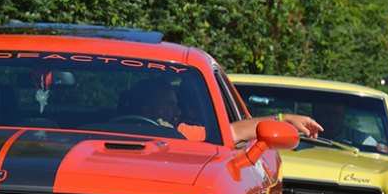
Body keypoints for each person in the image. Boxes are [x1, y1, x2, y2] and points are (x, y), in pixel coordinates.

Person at [126, 78, 321, 143]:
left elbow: (235, 130)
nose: (177, 110)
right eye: (169, 104)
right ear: (148, 108)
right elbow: (235, 131)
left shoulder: (181, 132)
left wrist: (283, 119)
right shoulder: (180, 134)